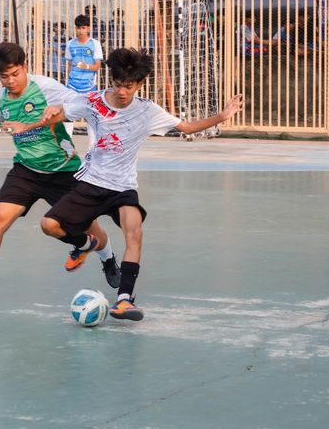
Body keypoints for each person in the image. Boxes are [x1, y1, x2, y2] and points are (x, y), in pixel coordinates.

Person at [40, 48, 244, 321]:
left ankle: (124, 299)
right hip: (90, 183)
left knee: (134, 233)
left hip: (123, 187)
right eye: (118, 84)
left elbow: (186, 128)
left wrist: (222, 116)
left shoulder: (148, 111)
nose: (123, 91)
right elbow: (63, 111)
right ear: (112, 81)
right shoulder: (94, 101)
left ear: (139, 84)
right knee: (49, 225)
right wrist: (53, 111)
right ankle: (88, 243)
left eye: (129, 86)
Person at [0, 42, 117, 306]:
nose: (10, 81)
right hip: (26, 171)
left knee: (89, 225)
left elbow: (84, 105)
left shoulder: (46, 87)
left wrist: (56, 114)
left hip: (63, 170)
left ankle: (107, 258)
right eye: (4, 76)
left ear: (24, 68)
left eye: (15, 74)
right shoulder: (0, 99)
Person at [65, 14, 104, 142]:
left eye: (84, 28)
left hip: (89, 86)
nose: (81, 31)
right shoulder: (70, 44)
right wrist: (69, 80)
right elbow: (70, 64)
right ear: (75, 29)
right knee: (68, 115)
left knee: (91, 117)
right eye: (79, 28)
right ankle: (67, 148)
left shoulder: (95, 44)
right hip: (72, 85)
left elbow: (97, 66)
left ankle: (92, 149)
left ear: (88, 28)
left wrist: (86, 66)